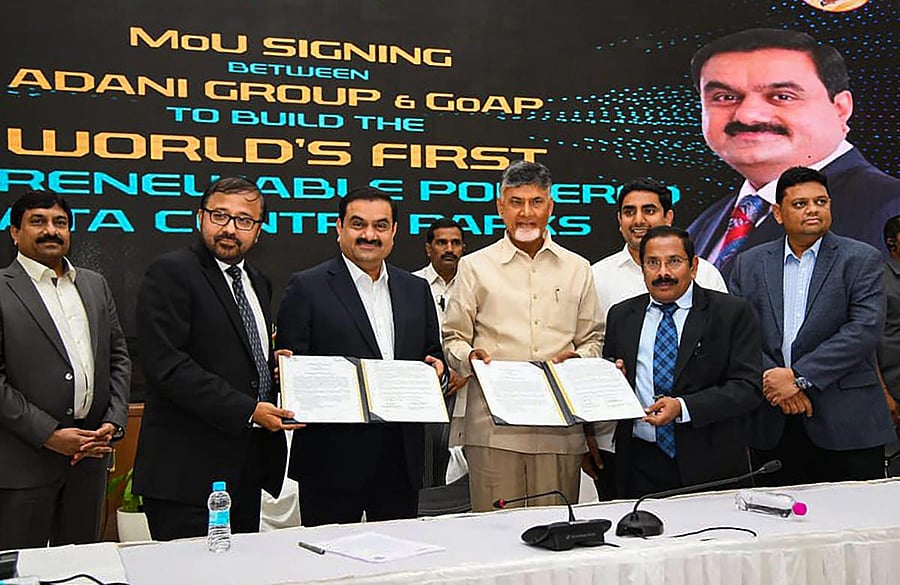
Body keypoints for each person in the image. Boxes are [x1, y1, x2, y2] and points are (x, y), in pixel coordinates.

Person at [133, 177, 297, 541]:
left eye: (244, 220)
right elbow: (167, 365)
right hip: (186, 474)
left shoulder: (258, 281)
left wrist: (273, 366)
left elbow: (236, 353)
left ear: (258, 230)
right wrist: (248, 409)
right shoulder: (171, 272)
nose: (230, 229)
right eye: (219, 215)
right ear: (200, 217)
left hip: (245, 470)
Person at [275, 186, 446, 526]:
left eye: (380, 226)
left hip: (401, 460)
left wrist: (438, 369)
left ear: (394, 232)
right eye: (358, 224)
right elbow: (290, 364)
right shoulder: (306, 287)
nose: (369, 235)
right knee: (329, 556)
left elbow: (432, 353)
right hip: (331, 463)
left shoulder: (416, 289)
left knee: (399, 554)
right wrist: (286, 373)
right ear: (339, 227)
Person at [442, 160, 602, 512]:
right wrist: (469, 357)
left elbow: (593, 339)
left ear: (550, 206)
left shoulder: (578, 268)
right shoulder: (475, 266)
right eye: (516, 202)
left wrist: (580, 359)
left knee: (555, 531)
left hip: (559, 429)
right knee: (496, 533)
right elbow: (452, 336)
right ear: (500, 207)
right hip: (494, 431)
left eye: (536, 202)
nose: (526, 213)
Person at [686, 28, 900, 276]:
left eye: (782, 96)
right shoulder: (706, 223)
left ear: (841, 108)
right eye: (725, 97)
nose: (747, 115)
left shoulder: (889, 208)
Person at [730, 167, 894, 486]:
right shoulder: (749, 263)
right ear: (778, 213)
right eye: (800, 204)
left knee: (855, 515)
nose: (813, 210)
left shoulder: (861, 259)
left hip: (848, 422)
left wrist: (798, 377)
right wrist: (774, 381)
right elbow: (739, 334)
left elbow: (864, 330)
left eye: (821, 202)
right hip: (774, 418)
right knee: (781, 513)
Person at [0, 191, 130, 550]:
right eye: (37, 222)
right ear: (15, 232)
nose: (51, 230)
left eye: (60, 222)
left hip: (89, 457)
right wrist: (49, 434)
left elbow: (118, 355)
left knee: (81, 562)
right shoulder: (3, 288)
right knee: (21, 568)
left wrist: (115, 419)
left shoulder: (94, 284)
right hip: (24, 463)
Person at [587, 178, 728, 499]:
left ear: (669, 216)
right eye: (629, 212)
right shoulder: (596, 277)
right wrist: (586, 435)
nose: (638, 219)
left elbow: (726, 359)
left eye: (649, 210)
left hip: (701, 441)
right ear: (619, 220)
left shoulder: (706, 275)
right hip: (621, 443)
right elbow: (589, 349)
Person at [603, 226, 760, 497]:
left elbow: (748, 388)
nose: (663, 273)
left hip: (710, 463)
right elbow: (614, 373)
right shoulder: (621, 315)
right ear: (642, 267)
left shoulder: (731, 313)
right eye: (653, 263)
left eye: (674, 261)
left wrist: (682, 407)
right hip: (639, 463)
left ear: (694, 266)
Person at [877, 215, 900, 418]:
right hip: (894, 389)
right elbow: (868, 343)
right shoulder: (879, 280)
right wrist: (883, 393)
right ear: (892, 242)